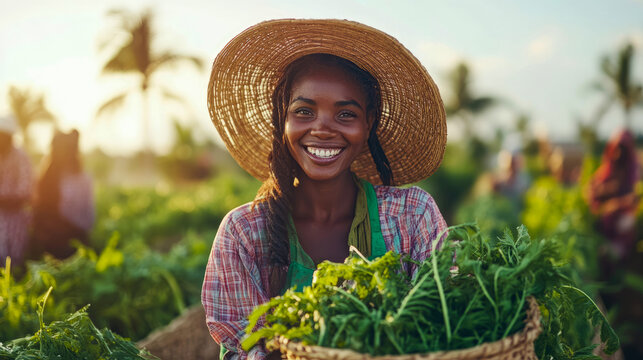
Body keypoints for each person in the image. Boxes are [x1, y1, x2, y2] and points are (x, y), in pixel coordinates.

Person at [201, 19, 448, 360]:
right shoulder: (243, 234)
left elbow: (444, 322)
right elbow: (243, 350)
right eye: (304, 111)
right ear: (282, 119)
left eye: (345, 114)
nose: (322, 129)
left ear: (369, 122)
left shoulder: (411, 216)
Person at [33, 129, 95, 259]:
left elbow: (88, 216)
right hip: (52, 239)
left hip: (75, 238)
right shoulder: (47, 179)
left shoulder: (82, 179)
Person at [586, 129, 640, 260]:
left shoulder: (631, 171)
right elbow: (590, 191)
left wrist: (622, 203)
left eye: (623, 150)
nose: (619, 154)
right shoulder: (607, 170)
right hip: (604, 222)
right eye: (617, 149)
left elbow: (634, 197)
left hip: (622, 224)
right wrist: (607, 190)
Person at [0, 115, 33, 267]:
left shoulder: (21, 158)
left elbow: (25, 192)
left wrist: (5, 199)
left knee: (13, 260)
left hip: (16, 217)